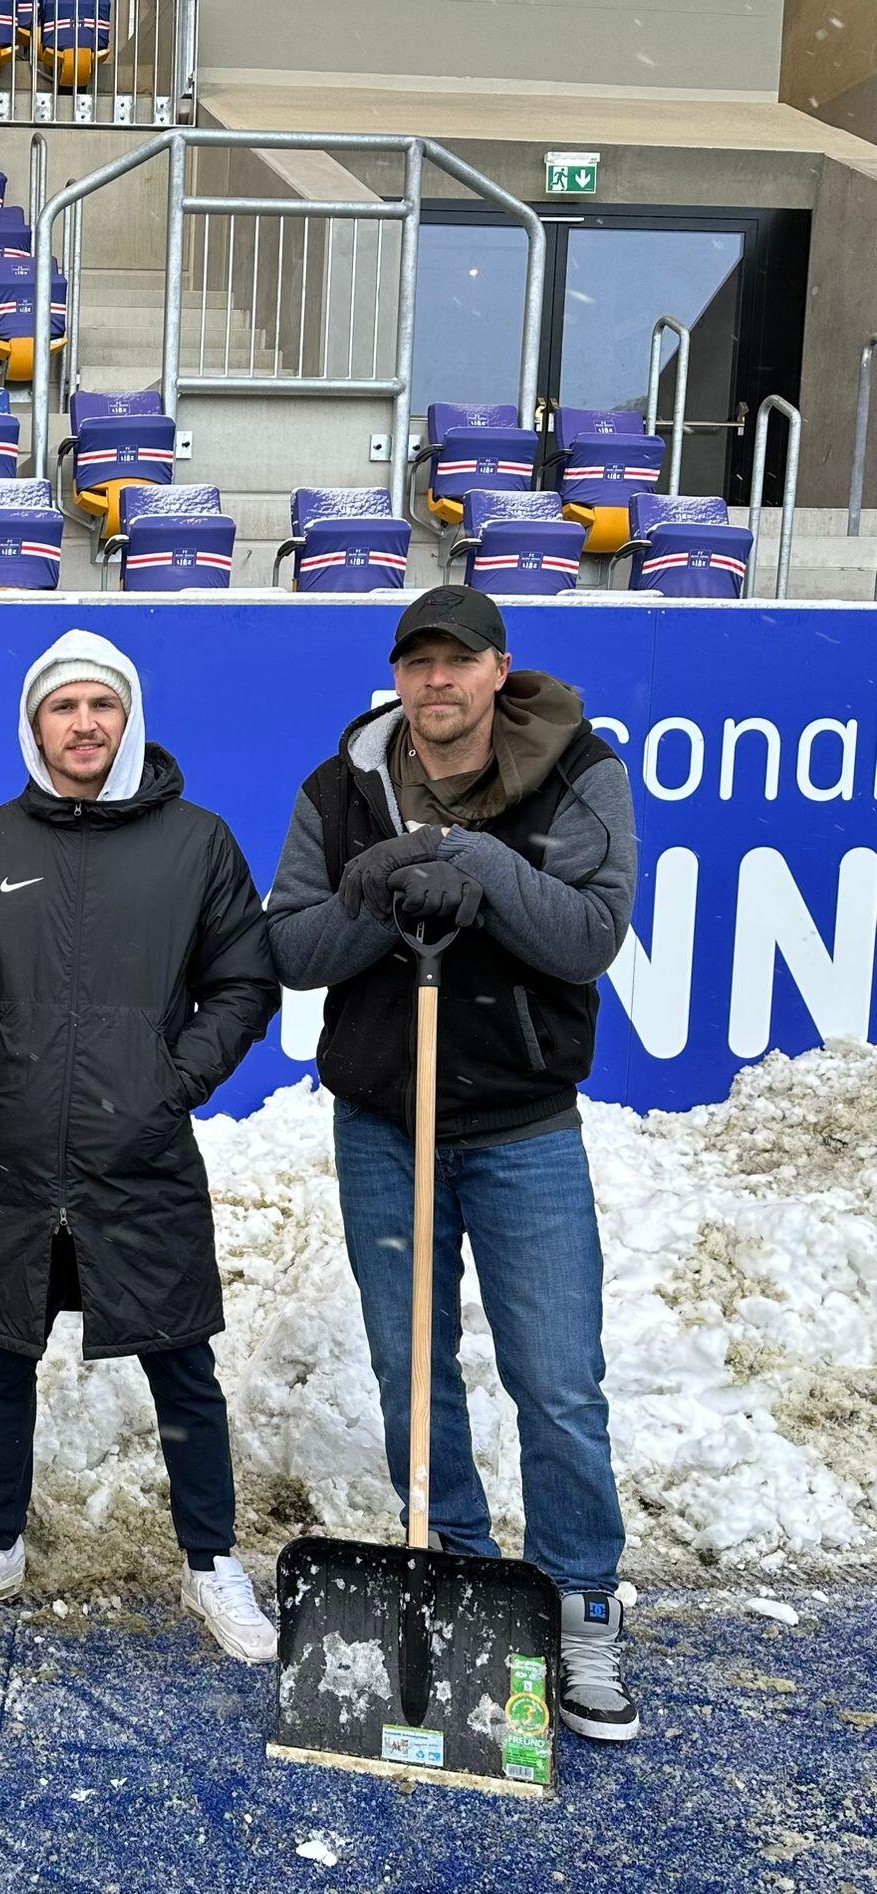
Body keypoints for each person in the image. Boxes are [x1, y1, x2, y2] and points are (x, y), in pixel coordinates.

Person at [265, 583, 641, 1742]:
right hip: (385, 1121)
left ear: (496, 670)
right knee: (409, 1368)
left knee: (555, 1379)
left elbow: (587, 933)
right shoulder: (339, 791)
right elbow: (290, 945)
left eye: (456, 662)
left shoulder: (578, 773)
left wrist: (470, 861)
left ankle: (578, 1601)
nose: (435, 682)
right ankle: (469, 1579)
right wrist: (378, 886)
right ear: (397, 677)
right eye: (415, 663)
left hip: (523, 1125)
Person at [0, 628, 283, 1659]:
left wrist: (174, 1079)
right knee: (1, 1355)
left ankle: (209, 1560)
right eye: (62, 707)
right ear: (33, 726)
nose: (83, 723)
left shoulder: (195, 842)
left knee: (180, 1365)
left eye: (100, 705)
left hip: (140, 1155)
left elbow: (244, 980)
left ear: (127, 720)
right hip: (16, 1155)